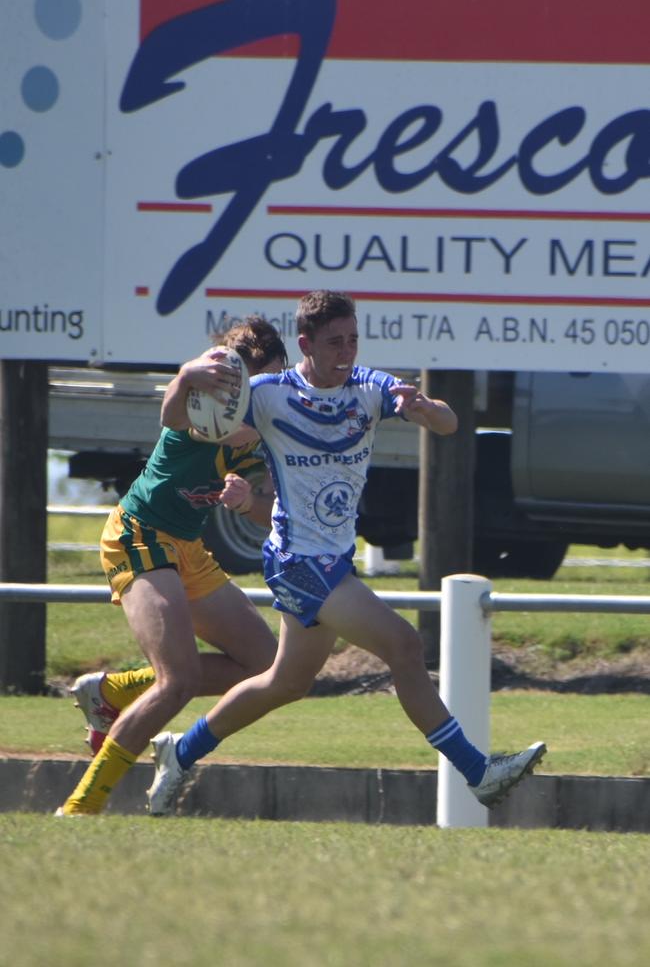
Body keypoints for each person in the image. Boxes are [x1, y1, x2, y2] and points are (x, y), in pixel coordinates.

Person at [146, 290, 546, 816]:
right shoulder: (266, 394)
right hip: (297, 561)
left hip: (334, 559)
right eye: (335, 342)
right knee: (403, 647)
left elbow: (449, 424)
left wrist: (425, 408)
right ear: (306, 344)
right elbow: (181, 423)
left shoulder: (370, 387)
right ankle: (478, 772)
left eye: (353, 339)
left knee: (284, 683)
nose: (347, 351)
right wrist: (185, 380)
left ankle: (181, 752)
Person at [56, 316, 288, 815]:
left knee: (265, 663)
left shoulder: (268, 430)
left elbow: (272, 513)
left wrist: (249, 503)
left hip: (186, 547)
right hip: (138, 535)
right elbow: (170, 417)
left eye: (274, 381)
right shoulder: (204, 407)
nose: (264, 393)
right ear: (230, 383)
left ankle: (112, 691)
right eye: (255, 384)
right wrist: (184, 378)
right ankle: (80, 808)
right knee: (177, 681)